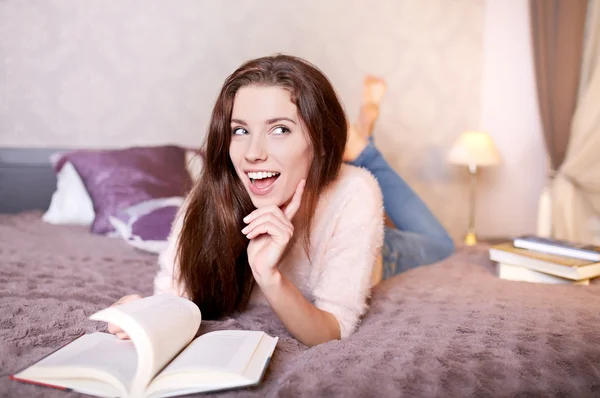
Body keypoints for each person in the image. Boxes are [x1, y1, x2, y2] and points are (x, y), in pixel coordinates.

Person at [108, 56, 455, 346]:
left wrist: (270, 278)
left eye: (280, 130)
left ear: (317, 142)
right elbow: (173, 295)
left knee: (441, 244)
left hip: (378, 254)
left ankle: (362, 148)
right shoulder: (209, 196)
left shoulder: (354, 194)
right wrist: (144, 313)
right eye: (240, 131)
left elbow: (331, 330)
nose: (253, 154)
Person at [343, 77, 455, 279]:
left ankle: (364, 149)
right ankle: (363, 149)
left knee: (438, 242)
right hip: (360, 243)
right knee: (443, 246)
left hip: (359, 237)